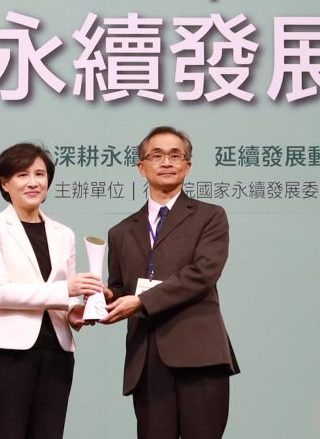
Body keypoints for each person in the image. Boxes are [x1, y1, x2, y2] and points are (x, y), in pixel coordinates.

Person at [100, 126, 239, 439]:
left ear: (187, 166)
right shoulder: (121, 232)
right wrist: (103, 299)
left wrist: (142, 301)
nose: (166, 162)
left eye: (176, 156)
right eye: (157, 155)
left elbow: (203, 273)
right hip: (147, 359)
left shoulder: (210, 216)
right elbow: (120, 287)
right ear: (142, 167)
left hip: (200, 354)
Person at [0, 142, 104, 439]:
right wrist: (66, 289)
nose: (33, 182)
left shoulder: (64, 234)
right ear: (4, 183)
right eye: (22, 175)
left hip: (57, 355)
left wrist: (77, 312)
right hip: (7, 356)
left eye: (40, 174)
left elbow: (65, 299)